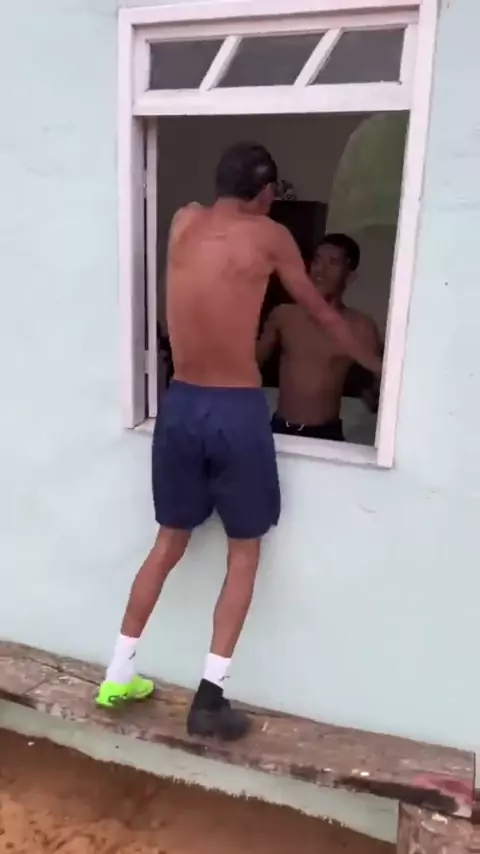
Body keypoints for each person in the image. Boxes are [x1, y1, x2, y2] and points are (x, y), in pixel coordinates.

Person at [95, 144, 382, 741]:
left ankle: (117, 672)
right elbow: (322, 314)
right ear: (266, 192)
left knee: (168, 542)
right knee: (244, 552)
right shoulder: (270, 235)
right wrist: (382, 368)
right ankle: (210, 698)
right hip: (233, 407)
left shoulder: (183, 220)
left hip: (180, 404)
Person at [257, 234, 383, 442]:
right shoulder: (284, 315)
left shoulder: (360, 327)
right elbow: (252, 365)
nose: (319, 270)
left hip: (325, 433)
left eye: (332, 262)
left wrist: (375, 392)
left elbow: (378, 392)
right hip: (280, 428)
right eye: (316, 260)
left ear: (350, 276)